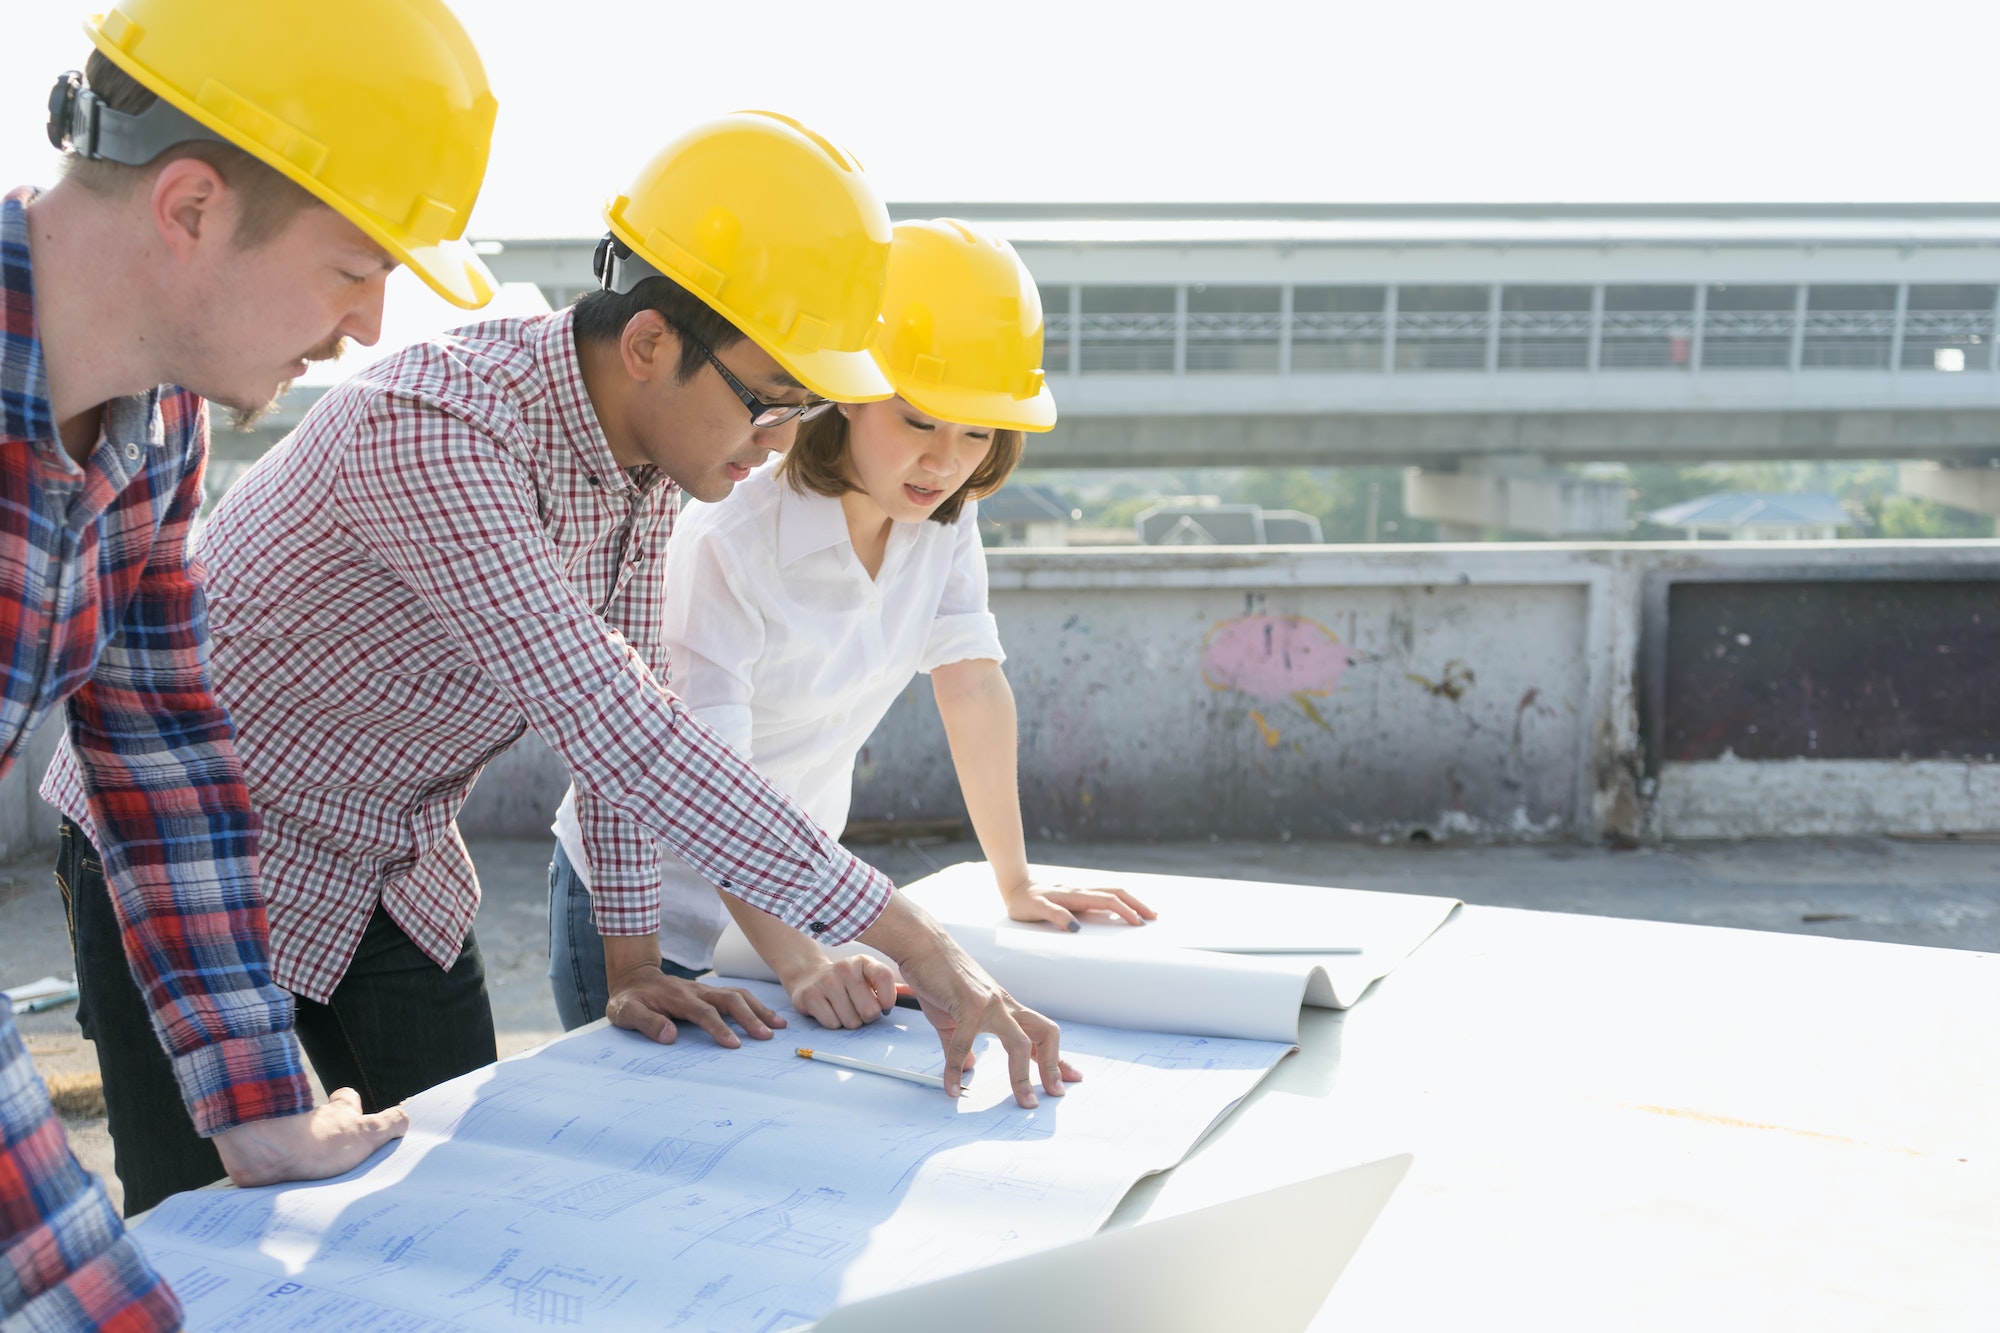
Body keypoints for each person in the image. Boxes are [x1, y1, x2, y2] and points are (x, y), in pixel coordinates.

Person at [42, 112, 1077, 1219]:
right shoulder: (441, 432)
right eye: (768, 400)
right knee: (203, 1223)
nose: (780, 440)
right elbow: (621, 725)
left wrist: (632, 965)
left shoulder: (652, 469)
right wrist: (919, 945)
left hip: (393, 865)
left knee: (460, 1201)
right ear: (647, 349)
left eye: (804, 407)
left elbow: (630, 729)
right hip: (189, 858)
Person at [4, 0, 498, 1318]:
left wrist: (256, 1099)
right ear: (190, 209)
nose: (367, 325)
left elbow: (161, 756)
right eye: (352, 268)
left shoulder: (155, 424)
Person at [549, 218, 1155, 1033]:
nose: (943, 462)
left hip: (793, 902)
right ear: (846, 395)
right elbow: (712, 779)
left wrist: (1015, 881)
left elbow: (971, 682)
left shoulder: (945, 517)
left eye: (977, 432)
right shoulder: (732, 539)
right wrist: (801, 957)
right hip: (641, 916)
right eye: (916, 420)